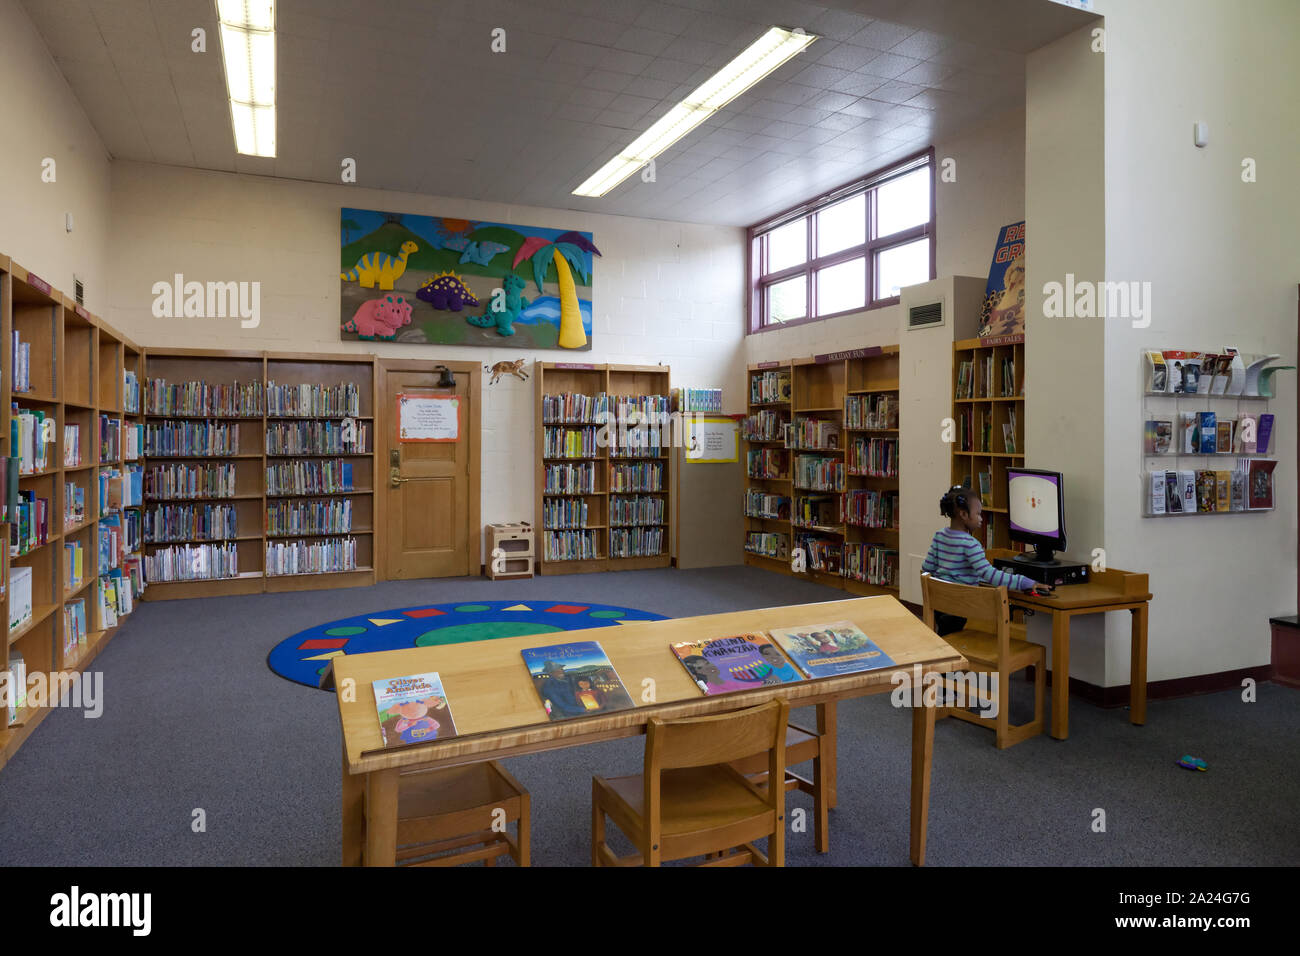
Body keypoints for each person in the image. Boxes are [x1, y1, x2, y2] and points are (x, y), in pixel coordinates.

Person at [922, 485, 1050, 636]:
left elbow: (926, 568)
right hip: (961, 608)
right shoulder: (970, 544)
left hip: (940, 605)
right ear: (963, 514)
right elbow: (991, 576)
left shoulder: (939, 536)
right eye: (978, 514)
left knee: (946, 636)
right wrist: (1026, 582)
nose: (981, 519)